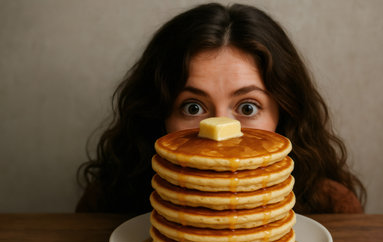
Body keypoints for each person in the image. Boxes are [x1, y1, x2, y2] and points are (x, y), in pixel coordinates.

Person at [76, 3, 366, 214]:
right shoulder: (107, 202)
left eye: (248, 108)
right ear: (159, 114)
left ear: (284, 112)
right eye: (192, 107)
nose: (220, 134)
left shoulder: (331, 206)